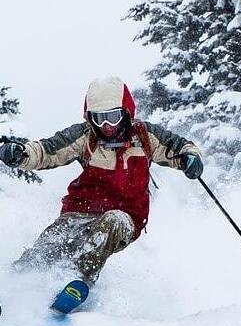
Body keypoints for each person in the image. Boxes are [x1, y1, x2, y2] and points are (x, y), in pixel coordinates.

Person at [0, 76, 203, 287]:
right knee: (54, 242)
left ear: (126, 112)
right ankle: (15, 282)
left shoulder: (144, 136)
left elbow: (179, 147)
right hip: (80, 211)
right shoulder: (85, 136)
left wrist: (190, 158)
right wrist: (21, 154)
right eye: (99, 118)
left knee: (112, 222)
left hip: (126, 216)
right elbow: (48, 150)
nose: (107, 126)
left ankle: (77, 278)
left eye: (113, 117)